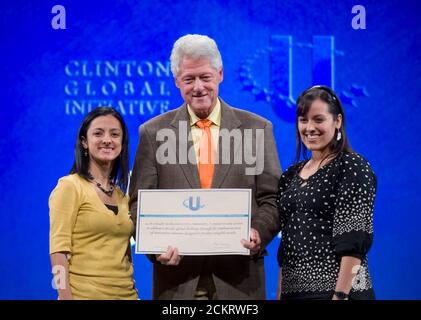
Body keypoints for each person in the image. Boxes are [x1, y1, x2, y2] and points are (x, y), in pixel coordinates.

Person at [129, 34, 281, 300]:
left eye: (205, 77)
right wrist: (155, 248)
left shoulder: (257, 129)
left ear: (220, 74)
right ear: (177, 81)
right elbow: (138, 204)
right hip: (178, 283)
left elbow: (272, 198)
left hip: (240, 282)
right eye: (189, 79)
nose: (198, 87)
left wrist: (258, 232)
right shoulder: (152, 133)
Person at [276, 85, 376, 300]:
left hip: (338, 293)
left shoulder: (351, 166)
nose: (309, 128)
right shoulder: (290, 176)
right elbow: (286, 248)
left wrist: (340, 296)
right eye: (303, 120)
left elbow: (354, 240)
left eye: (318, 119)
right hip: (293, 294)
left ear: (337, 121)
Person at [49, 107, 137, 300]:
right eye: (98, 133)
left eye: (114, 134)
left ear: (122, 143)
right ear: (84, 142)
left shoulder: (122, 195)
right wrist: (64, 297)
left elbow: (124, 253)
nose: (107, 140)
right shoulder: (70, 187)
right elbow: (58, 252)